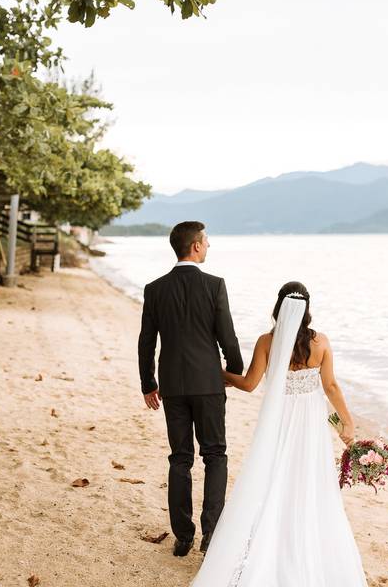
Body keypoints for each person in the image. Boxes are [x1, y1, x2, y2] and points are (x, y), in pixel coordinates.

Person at [191, 281, 367, 586]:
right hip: (310, 425)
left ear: (279, 307)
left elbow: (248, 384)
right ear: (308, 309)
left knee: (271, 478)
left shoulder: (266, 342)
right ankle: (301, 543)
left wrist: (218, 372)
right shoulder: (321, 342)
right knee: (308, 482)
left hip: (279, 421)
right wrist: (347, 423)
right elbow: (331, 387)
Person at [138, 220, 244, 557]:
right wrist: (235, 371)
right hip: (208, 384)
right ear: (195, 246)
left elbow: (146, 342)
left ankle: (183, 536)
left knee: (180, 458)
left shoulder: (155, 289)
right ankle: (211, 533)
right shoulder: (215, 285)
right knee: (215, 455)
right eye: (207, 241)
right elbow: (227, 337)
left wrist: (148, 383)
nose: (209, 246)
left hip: (172, 386)